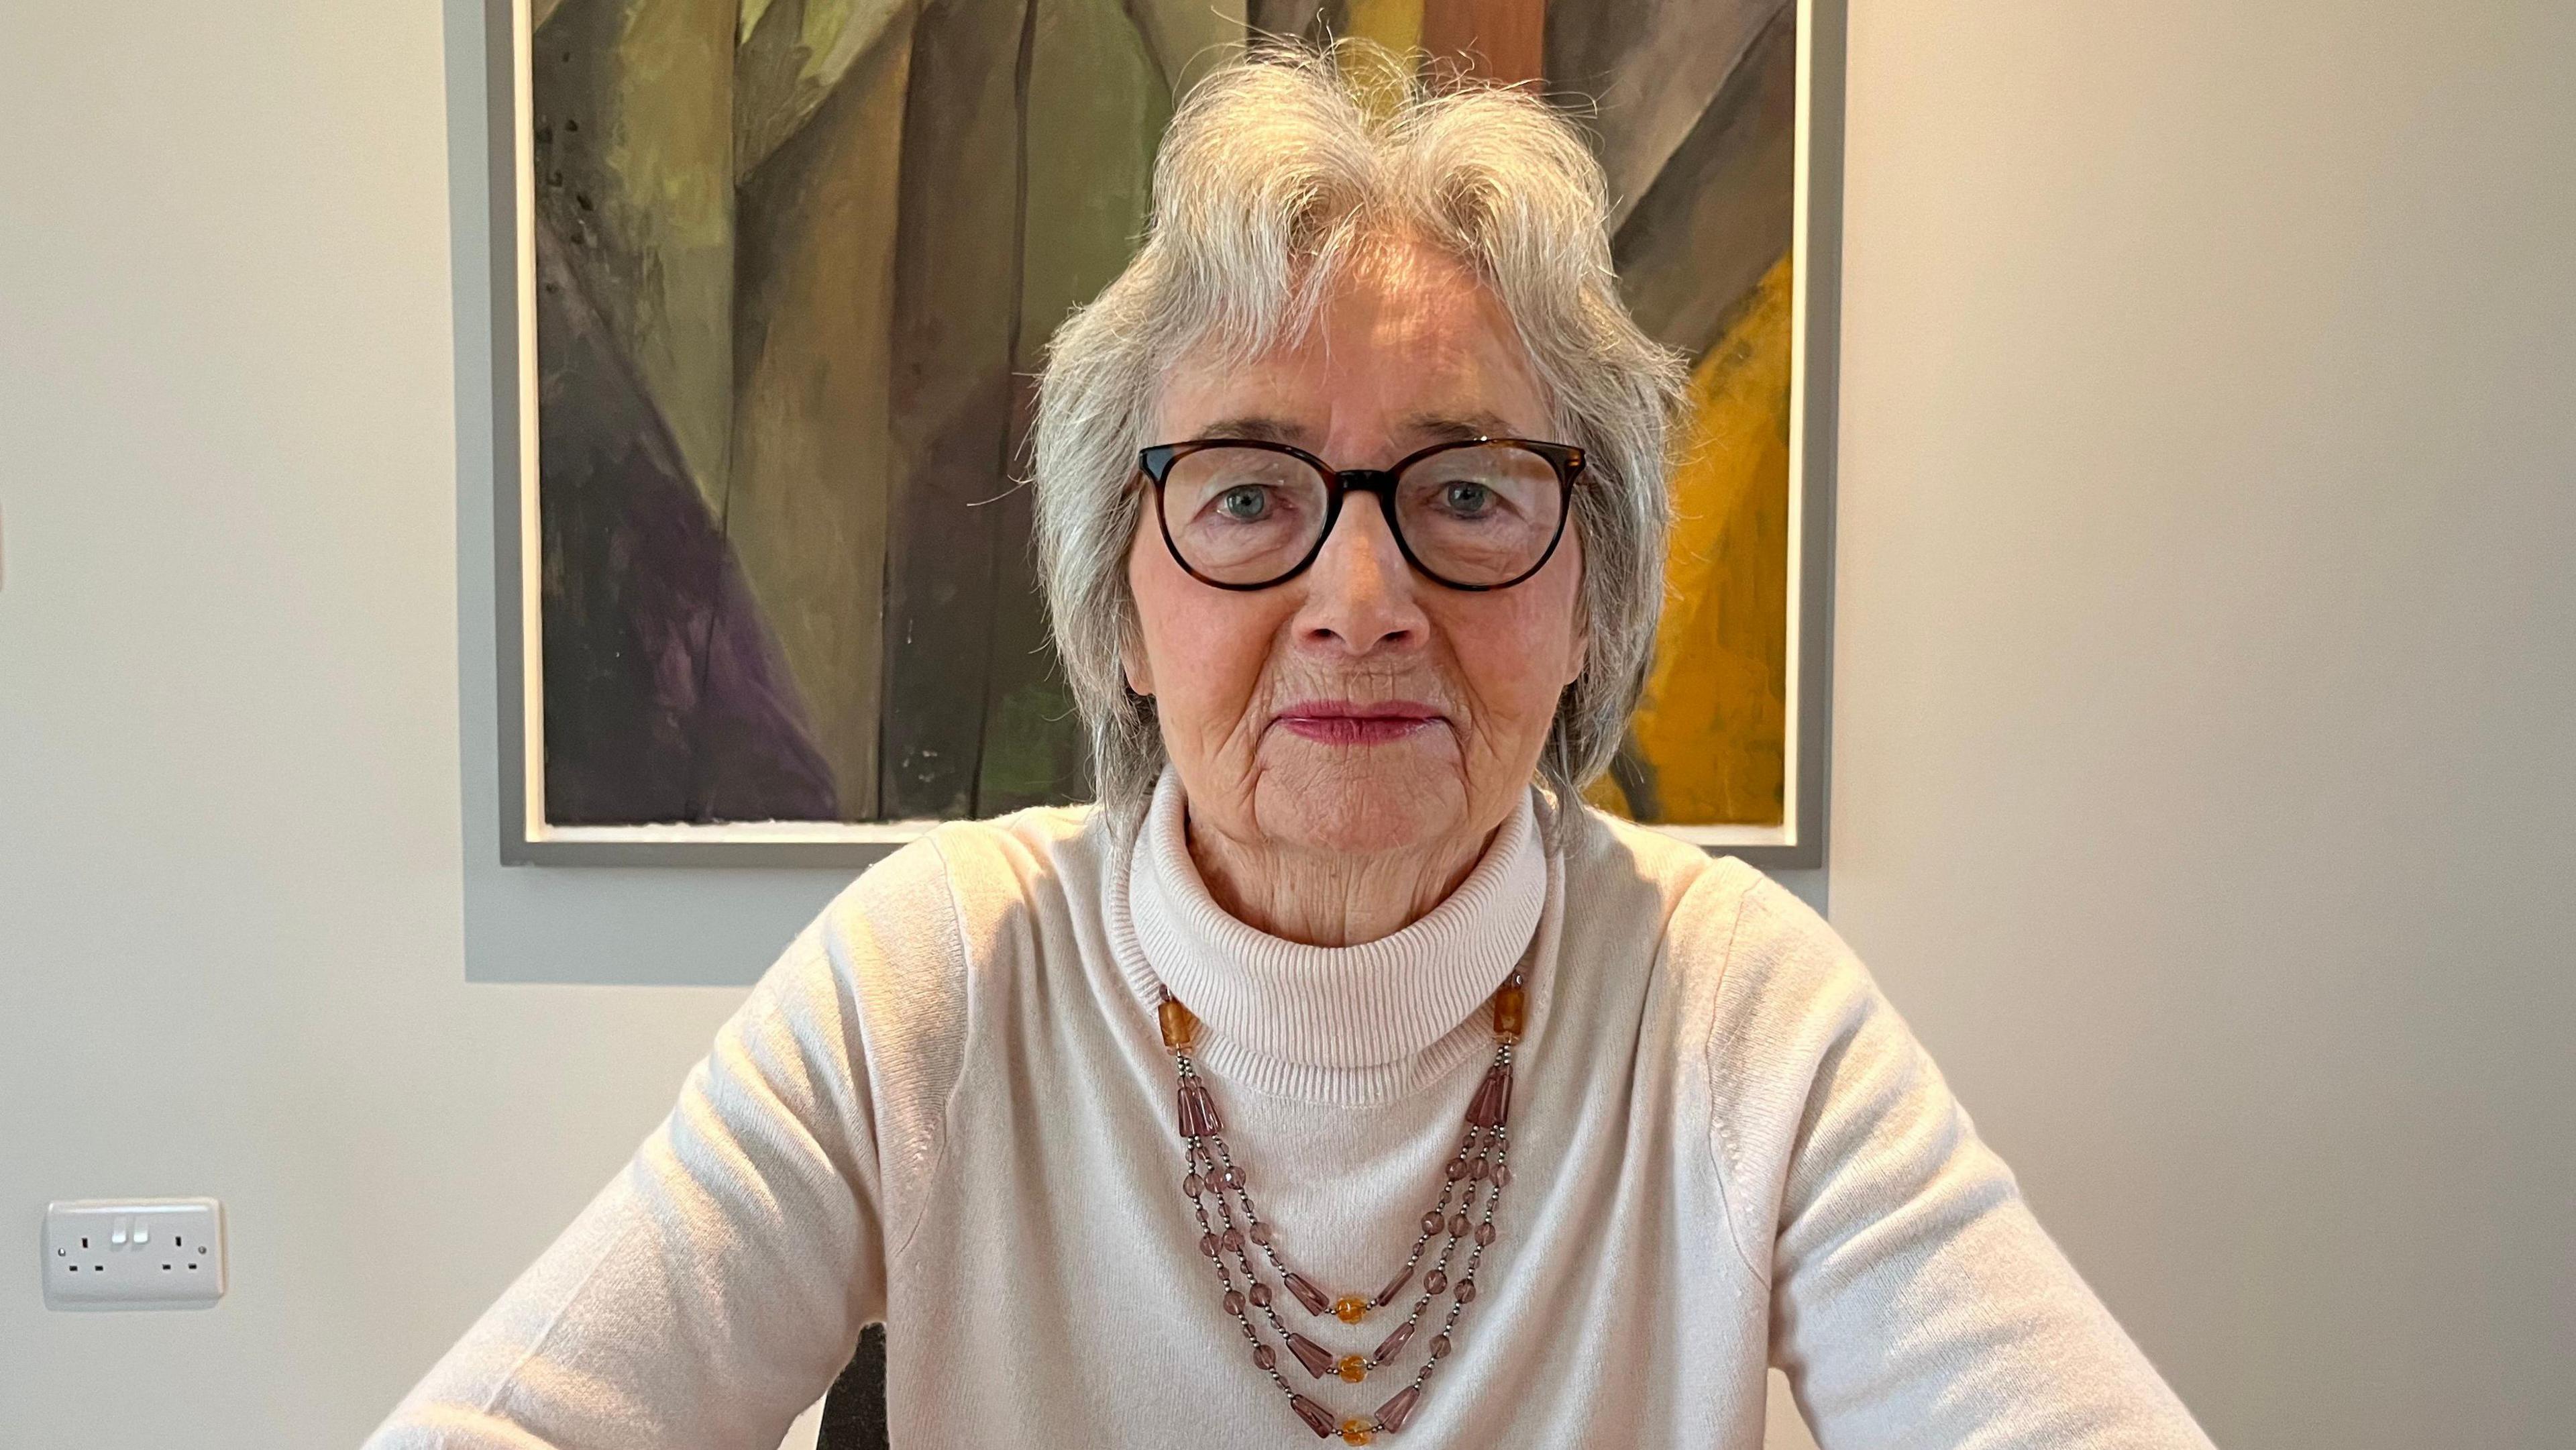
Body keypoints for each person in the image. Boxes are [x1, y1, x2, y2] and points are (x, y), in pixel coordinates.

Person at [370, 47, 2214, 1449]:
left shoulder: (1735, 1011)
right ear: (1117, 600)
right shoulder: (930, 977)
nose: (1360, 592)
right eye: (1248, 493)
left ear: (1593, 596)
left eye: (1473, 491)